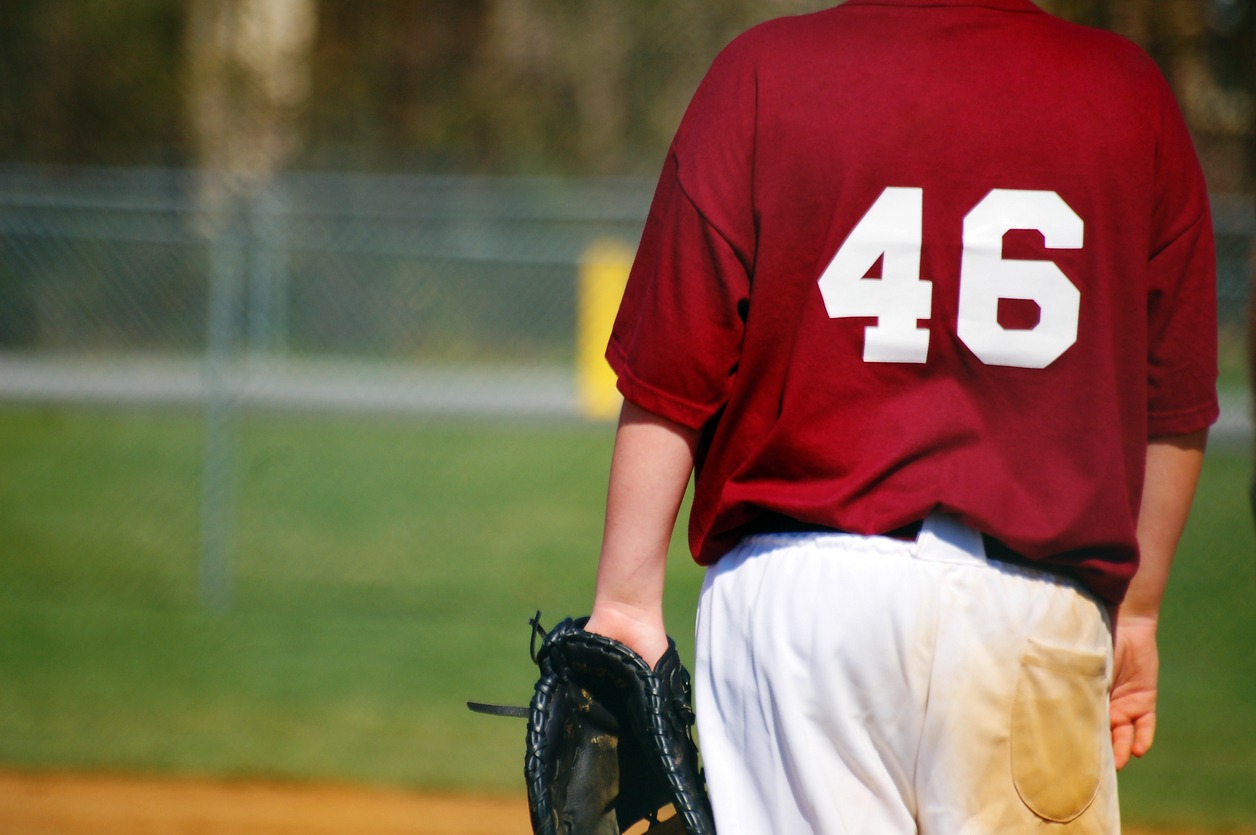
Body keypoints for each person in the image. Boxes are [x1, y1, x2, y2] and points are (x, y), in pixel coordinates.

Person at [582, 1, 1219, 833]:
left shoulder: (767, 70)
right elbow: (1172, 400)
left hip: (805, 605)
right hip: (1033, 613)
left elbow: (672, 364)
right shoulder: (1130, 93)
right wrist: (1137, 609)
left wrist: (625, 601)